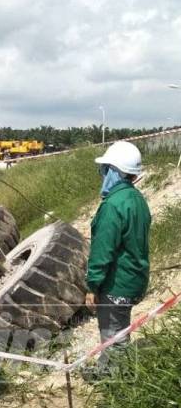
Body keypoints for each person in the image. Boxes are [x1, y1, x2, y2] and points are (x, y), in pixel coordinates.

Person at [85, 141, 151, 375]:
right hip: (134, 280)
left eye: (105, 169)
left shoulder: (113, 206)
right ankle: (108, 371)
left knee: (113, 335)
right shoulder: (137, 199)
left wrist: (92, 286)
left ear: (115, 171)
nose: (102, 174)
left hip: (117, 285)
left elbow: (102, 253)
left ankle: (116, 384)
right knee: (119, 330)